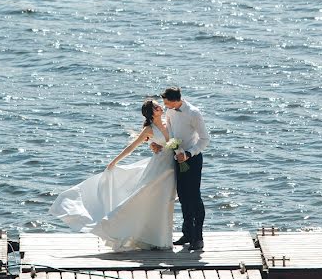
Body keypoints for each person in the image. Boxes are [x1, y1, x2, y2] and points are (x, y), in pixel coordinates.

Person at [48, 99, 177, 251]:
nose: (159, 107)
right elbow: (132, 147)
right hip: (158, 169)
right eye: (155, 107)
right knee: (148, 200)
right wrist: (114, 161)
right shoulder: (149, 129)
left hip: (171, 167)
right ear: (150, 114)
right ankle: (119, 229)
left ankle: (161, 238)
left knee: (166, 203)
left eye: (158, 105)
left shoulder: (170, 119)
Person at [151, 86, 209, 251]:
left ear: (175, 100)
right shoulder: (170, 111)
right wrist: (159, 144)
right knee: (183, 197)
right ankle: (187, 233)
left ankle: (198, 237)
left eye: (166, 102)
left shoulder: (193, 113)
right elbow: (169, 131)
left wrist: (189, 154)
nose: (164, 106)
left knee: (194, 197)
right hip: (176, 157)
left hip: (193, 159)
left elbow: (205, 139)